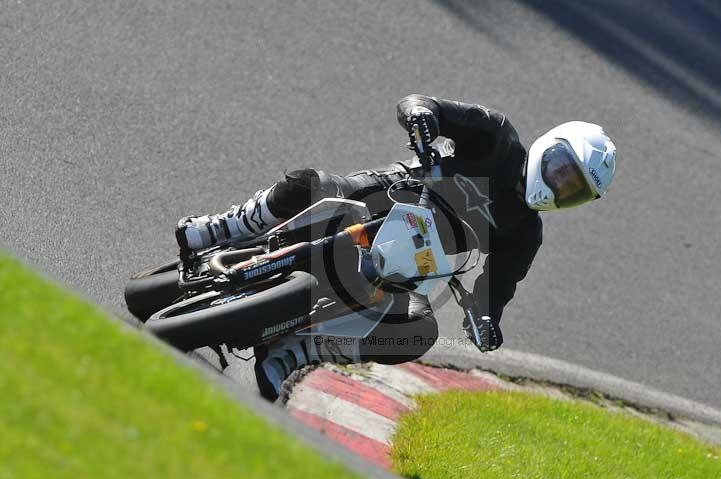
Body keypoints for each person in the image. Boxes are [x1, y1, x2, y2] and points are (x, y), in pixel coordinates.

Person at [175, 95, 617, 400]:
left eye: (573, 189)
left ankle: (299, 350)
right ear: (549, 147)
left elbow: (496, 288)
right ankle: (222, 228)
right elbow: (422, 103)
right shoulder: (497, 137)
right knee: (308, 184)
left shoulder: (525, 232)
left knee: (418, 331)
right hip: (389, 193)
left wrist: (486, 320)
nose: (559, 185)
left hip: (413, 266)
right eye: (563, 170)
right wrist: (422, 115)